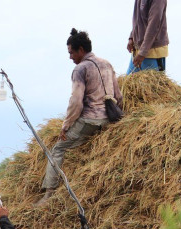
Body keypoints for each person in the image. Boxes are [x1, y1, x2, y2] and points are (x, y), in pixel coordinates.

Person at [36, 29, 123, 207]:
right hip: (111, 117)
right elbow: (118, 95)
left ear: (80, 50)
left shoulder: (80, 69)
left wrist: (66, 126)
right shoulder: (107, 64)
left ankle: (48, 194)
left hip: (91, 120)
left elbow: (76, 102)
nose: (70, 57)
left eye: (71, 53)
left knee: (58, 148)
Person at [127, 0, 169, 74]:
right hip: (138, 51)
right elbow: (138, 20)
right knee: (128, 83)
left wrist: (143, 52)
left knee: (152, 84)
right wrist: (132, 37)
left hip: (152, 51)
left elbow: (154, 24)